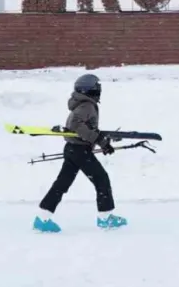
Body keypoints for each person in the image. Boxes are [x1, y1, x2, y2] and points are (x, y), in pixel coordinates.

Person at [33, 74, 127, 232]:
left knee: (62, 184)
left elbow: (82, 128)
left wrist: (102, 142)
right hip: (79, 151)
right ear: (89, 89)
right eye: (97, 87)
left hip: (72, 149)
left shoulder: (81, 104)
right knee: (101, 179)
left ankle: (42, 219)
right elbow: (76, 126)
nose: (99, 91)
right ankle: (105, 218)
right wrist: (101, 141)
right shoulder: (87, 106)